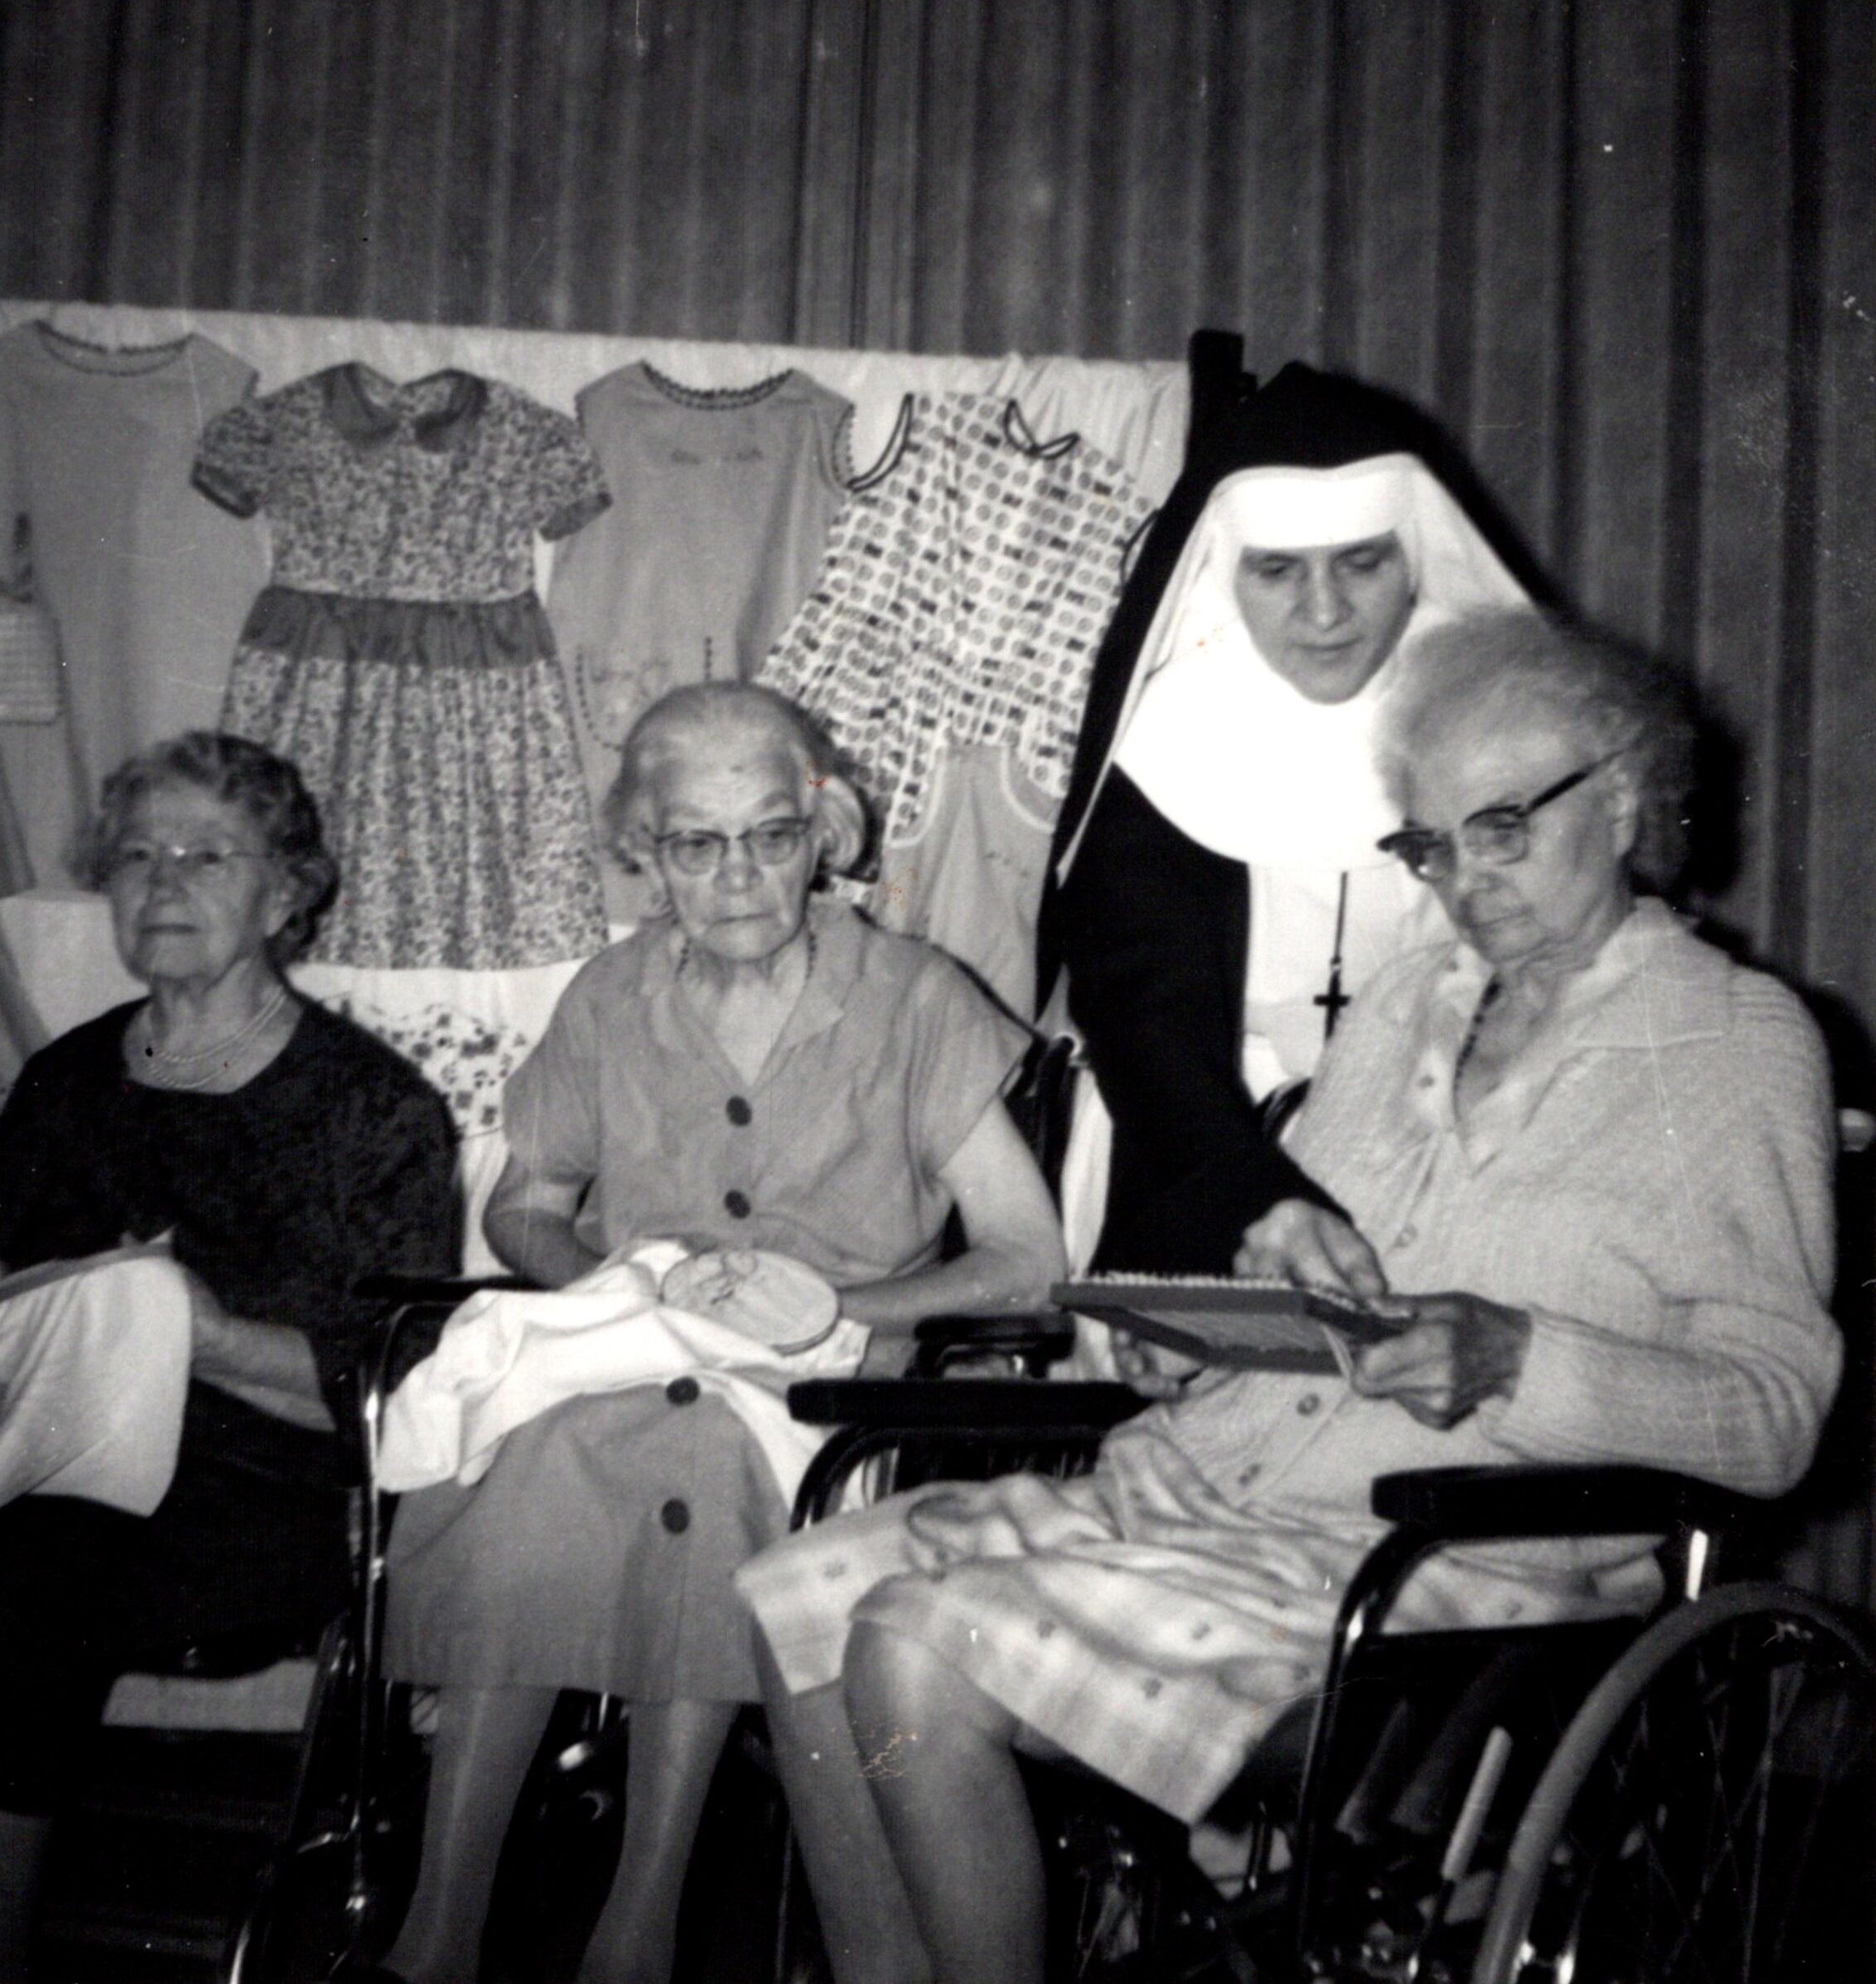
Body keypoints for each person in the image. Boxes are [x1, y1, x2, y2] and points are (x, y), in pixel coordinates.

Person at [741, 610, 1843, 1984]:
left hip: (1450, 1577)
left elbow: (1773, 1413)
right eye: (1431, 846)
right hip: (1210, 1504)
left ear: (1621, 797)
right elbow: (1290, 1278)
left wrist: (1513, 1360)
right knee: (803, 1590)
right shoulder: (1400, 1008)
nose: (1463, 883)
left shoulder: (1734, 1045)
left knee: (914, 1649)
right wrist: (1196, 1344)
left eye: (1500, 828)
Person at [377, 681, 1064, 1984]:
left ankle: (640, 1920)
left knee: (693, 1469)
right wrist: (631, 1275)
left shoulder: (914, 999)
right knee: (518, 1461)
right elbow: (524, 1210)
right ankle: (440, 1928)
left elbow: (1028, 1262)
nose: (738, 874)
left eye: (769, 835)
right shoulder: (609, 996)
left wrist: (836, 1309)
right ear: (647, 853)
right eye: (696, 843)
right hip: (635, 1354)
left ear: (826, 835)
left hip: (827, 1406)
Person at [0, 731, 460, 1984]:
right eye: (136, 854)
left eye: (206, 854)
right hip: (27, 1465)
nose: (163, 881)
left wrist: (200, 1328)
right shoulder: (66, 1079)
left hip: (254, 1500)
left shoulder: (373, 1110)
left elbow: (389, 1399)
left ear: (286, 891)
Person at [1043, 363, 1532, 1276]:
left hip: (1446, 1148)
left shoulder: (1500, 725)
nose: (1323, 612)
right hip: (1198, 1156)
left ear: (1415, 554)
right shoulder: (1167, 743)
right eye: (1277, 570)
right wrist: (1255, 1197)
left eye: (1361, 561)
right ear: (1228, 569)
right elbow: (1145, 1022)